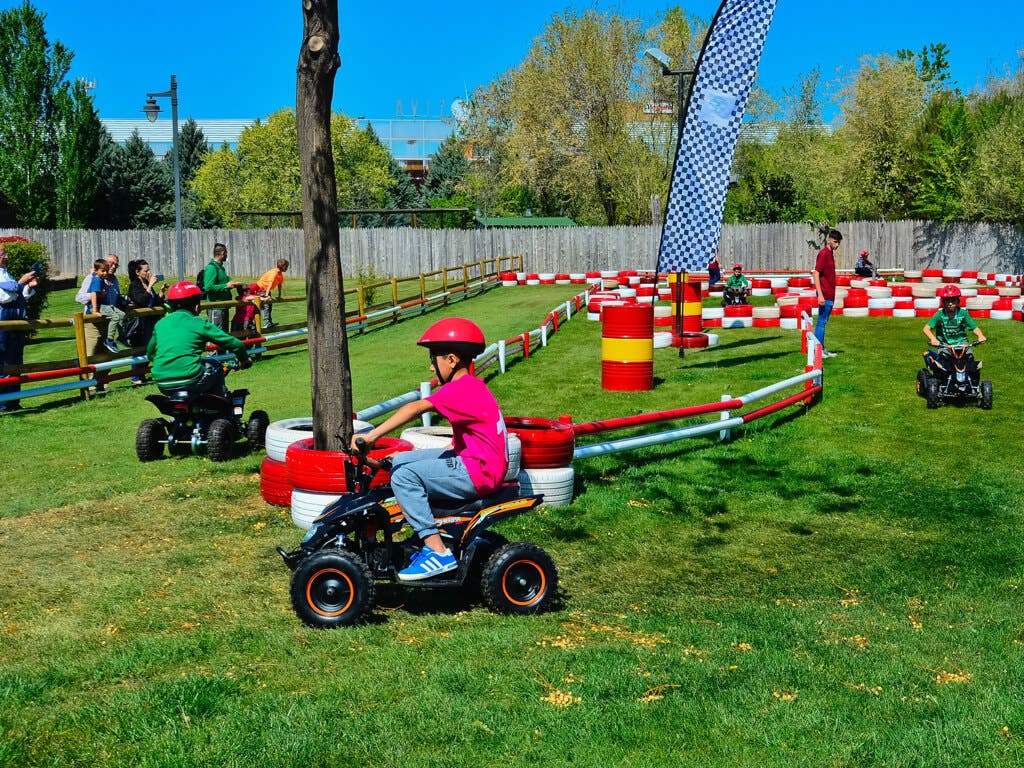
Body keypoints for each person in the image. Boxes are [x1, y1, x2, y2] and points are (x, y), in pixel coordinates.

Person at [351, 318, 509, 581]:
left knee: (404, 475)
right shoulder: (472, 387)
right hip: (477, 461)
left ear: (451, 359)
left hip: (478, 471)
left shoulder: (461, 388)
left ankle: (436, 551)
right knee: (402, 460)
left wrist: (371, 436)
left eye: (433, 357)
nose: (430, 365)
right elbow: (469, 438)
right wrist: (382, 461)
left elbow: (415, 407)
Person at [146, 281, 251, 398]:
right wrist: (244, 360)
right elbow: (235, 344)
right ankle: (219, 406)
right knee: (215, 365)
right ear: (197, 307)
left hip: (163, 383)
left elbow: (150, 353)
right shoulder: (199, 323)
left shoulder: (161, 324)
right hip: (191, 378)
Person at [0, 244, 39, 412]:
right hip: (2, 326)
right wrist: (20, 284)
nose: (6, 256)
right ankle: (2, 404)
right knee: (3, 364)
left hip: (16, 324)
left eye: (5, 253)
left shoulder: (6, 274)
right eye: (3, 254)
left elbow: (17, 295)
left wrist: (28, 286)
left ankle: (13, 401)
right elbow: (3, 298)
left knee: (16, 363)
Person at [923, 284, 986, 370]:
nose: (950, 303)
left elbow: (974, 327)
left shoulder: (963, 313)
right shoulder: (940, 315)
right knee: (943, 364)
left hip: (962, 343)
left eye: (953, 300)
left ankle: (972, 382)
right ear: (943, 302)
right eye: (947, 301)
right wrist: (933, 339)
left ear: (958, 301)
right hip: (945, 345)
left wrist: (980, 336)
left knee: (970, 361)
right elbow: (926, 329)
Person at [126, 259, 168, 384]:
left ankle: (142, 375)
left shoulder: (146, 283)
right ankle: (135, 377)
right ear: (137, 272)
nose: (149, 272)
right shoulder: (135, 285)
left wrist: (161, 291)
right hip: (140, 323)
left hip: (151, 321)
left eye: (148, 270)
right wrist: (149, 286)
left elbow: (155, 301)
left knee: (149, 348)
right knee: (139, 349)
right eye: (146, 270)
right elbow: (141, 301)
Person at [82, 258, 127, 354]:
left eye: (116, 265)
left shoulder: (111, 279)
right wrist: (95, 309)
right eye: (111, 264)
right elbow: (90, 294)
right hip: (97, 314)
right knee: (91, 354)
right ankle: (109, 341)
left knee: (122, 315)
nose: (113, 267)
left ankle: (122, 337)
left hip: (106, 315)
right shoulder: (96, 279)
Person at [812, 229, 841, 358]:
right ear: (829, 239)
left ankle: (821, 349)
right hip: (825, 294)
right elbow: (816, 273)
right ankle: (818, 351)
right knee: (821, 322)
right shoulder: (823, 254)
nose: (837, 245)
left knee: (823, 321)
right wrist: (820, 295)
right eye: (835, 241)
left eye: (839, 242)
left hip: (830, 293)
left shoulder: (830, 254)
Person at [202, 243, 243, 331]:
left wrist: (233, 282)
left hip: (224, 306)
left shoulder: (220, 267)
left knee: (224, 335)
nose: (226, 255)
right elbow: (208, 287)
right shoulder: (211, 268)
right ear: (222, 253)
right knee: (215, 336)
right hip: (216, 308)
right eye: (226, 253)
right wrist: (226, 286)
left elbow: (225, 279)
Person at [254, 258, 289, 329]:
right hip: (261, 289)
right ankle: (267, 323)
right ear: (283, 266)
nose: (287, 268)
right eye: (286, 266)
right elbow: (270, 283)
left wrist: (279, 296)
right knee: (266, 306)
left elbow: (279, 285)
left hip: (266, 290)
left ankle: (269, 322)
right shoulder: (274, 273)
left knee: (269, 306)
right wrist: (267, 295)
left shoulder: (280, 274)